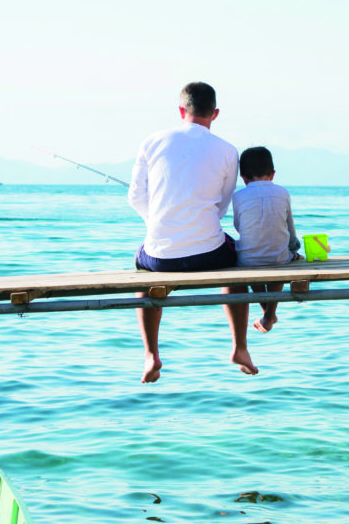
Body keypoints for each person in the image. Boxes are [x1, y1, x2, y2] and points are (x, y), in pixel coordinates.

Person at [128, 82, 257, 382]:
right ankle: (239, 347)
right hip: (210, 255)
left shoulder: (152, 141)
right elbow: (221, 205)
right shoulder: (228, 150)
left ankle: (151, 354)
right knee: (235, 262)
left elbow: (135, 197)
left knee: (142, 269)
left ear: (180, 110)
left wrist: (156, 222)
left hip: (159, 258)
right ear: (215, 113)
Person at [226, 145, 301, 335]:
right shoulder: (283, 193)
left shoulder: (238, 197)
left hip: (248, 260)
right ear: (273, 174)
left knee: (252, 255)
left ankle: (266, 312)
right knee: (279, 255)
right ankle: (270, 313)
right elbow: (290, 228)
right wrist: (294, 248)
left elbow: (239, 226)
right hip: (280, 257)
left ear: (243, 177)